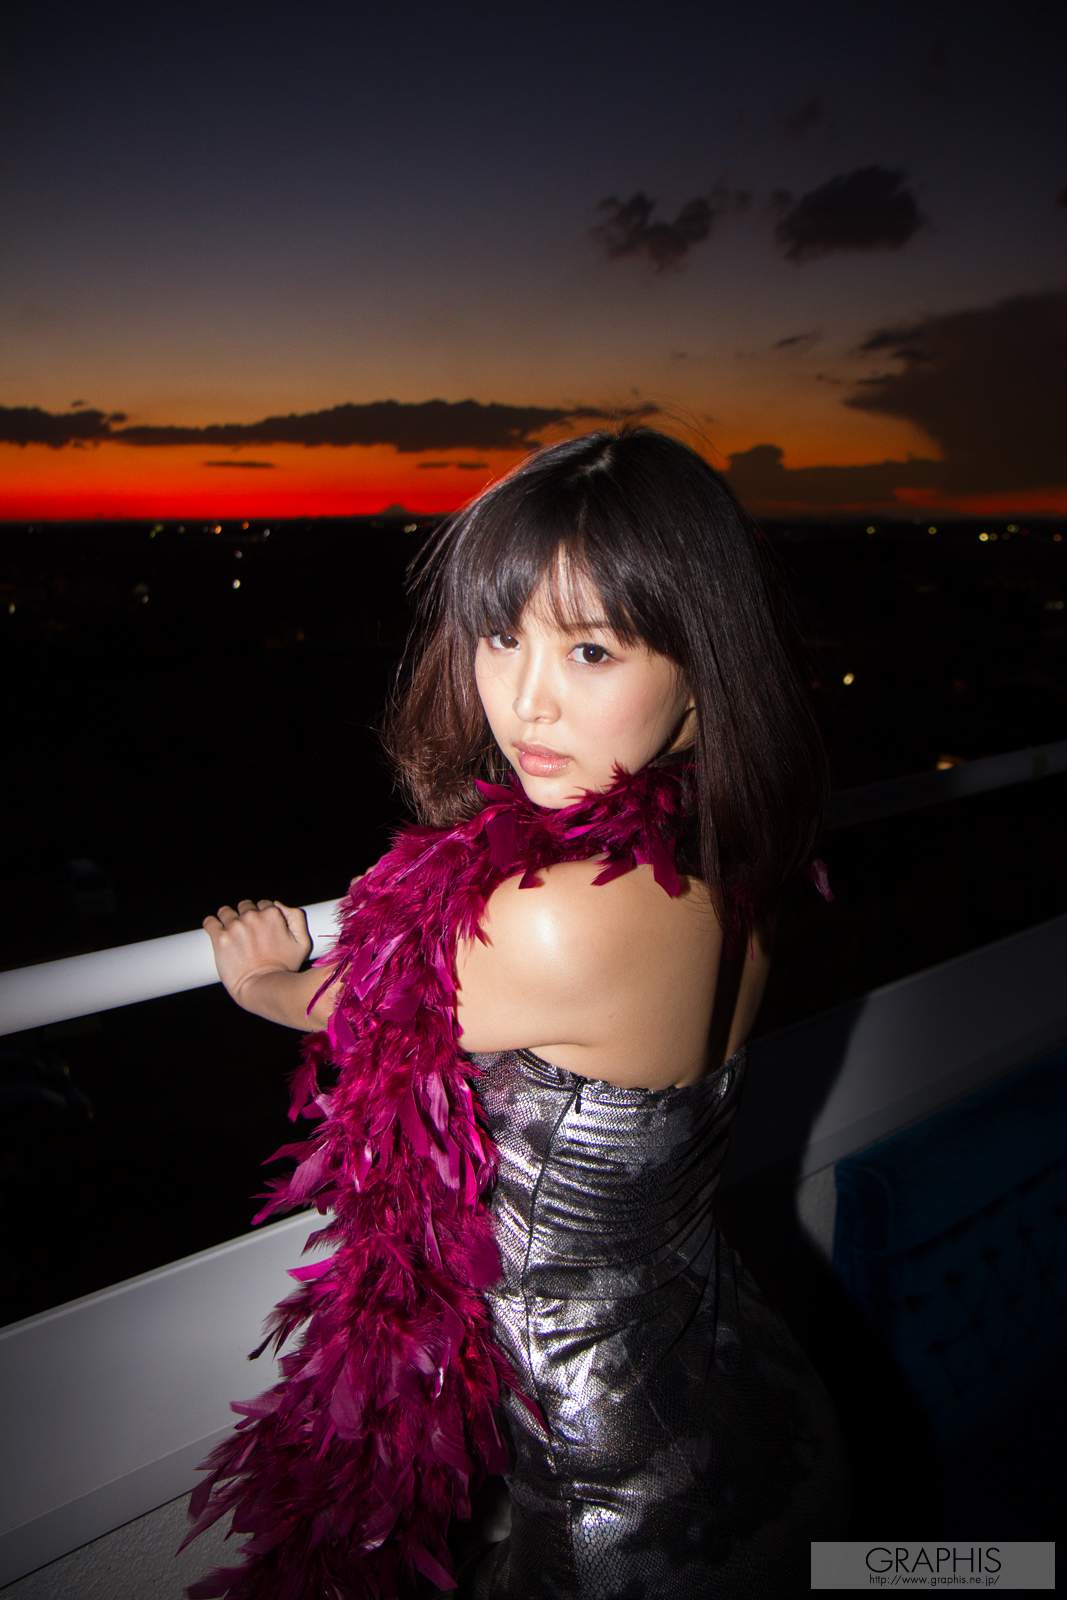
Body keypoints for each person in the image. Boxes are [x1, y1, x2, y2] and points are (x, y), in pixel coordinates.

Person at [200, 423, 851, 1597]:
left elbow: (361, 1004)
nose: (526, 700)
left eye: (590, 649)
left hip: (627, 1504)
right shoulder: (728, 852)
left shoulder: (559, 917)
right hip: (753, 1398)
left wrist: (257, 979)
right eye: (502, 637)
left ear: (701, 663)